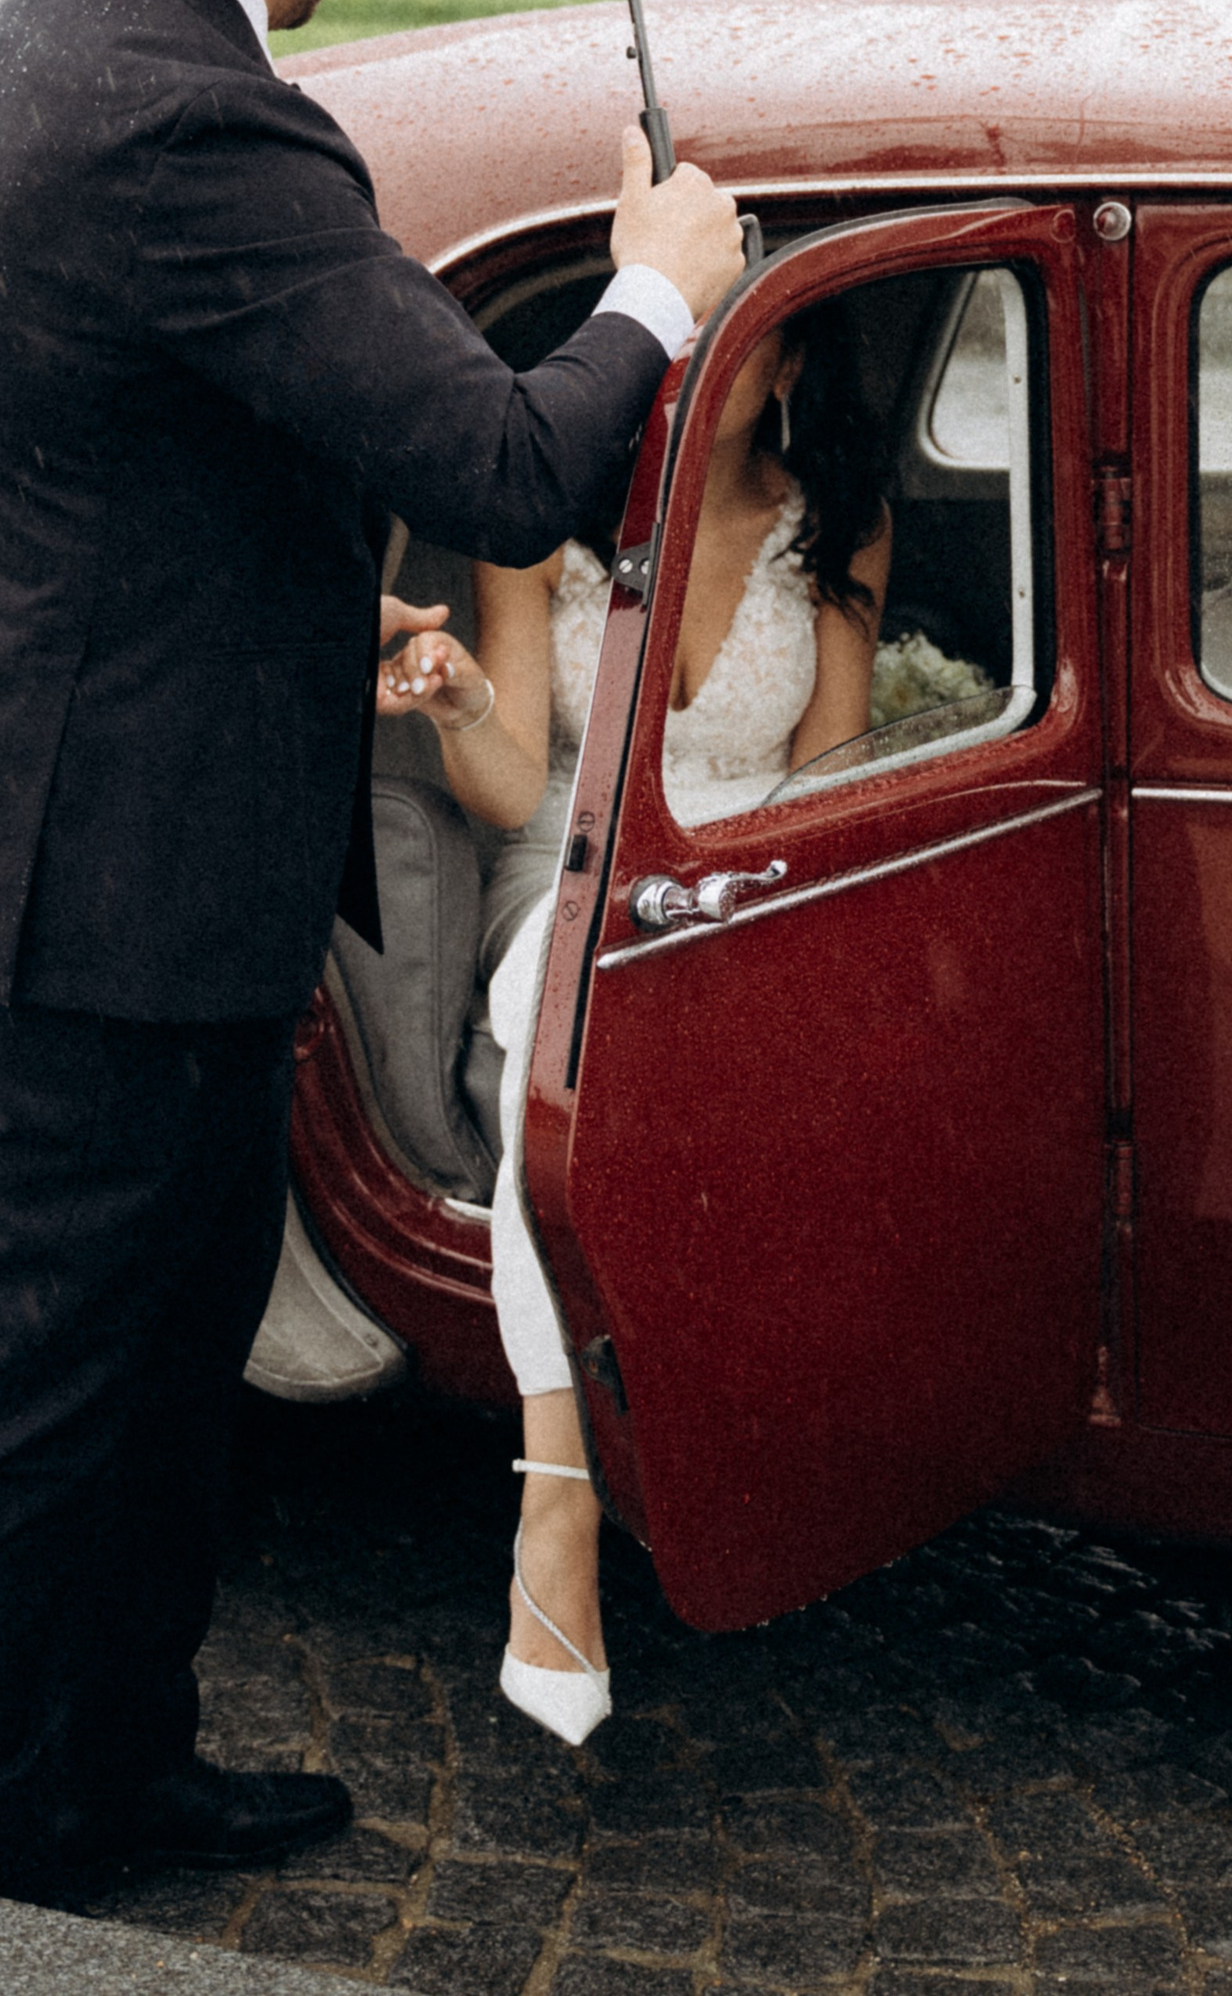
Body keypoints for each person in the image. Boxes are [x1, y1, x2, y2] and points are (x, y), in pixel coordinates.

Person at [0, 0, 743, 1906]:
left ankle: (112, 1764)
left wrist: (304, 619)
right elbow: (498, 462)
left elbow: (89, 459)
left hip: (101, 807)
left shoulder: (25, 51)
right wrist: (649, 291)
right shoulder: (195, 107)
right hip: (125, 867)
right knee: (46, 1383)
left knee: (150, 1368)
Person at [377, 296, 890, 1741]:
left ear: (784, 365)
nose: (683, 375)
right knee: (573, 1030)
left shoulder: (837, 522)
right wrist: (464, 697)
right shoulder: (535, 515)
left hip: (744, 873)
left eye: (730, 347)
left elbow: (832, 773)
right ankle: (559, 1511)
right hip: (567, 868)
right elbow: (501, 786)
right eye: (662, 346)